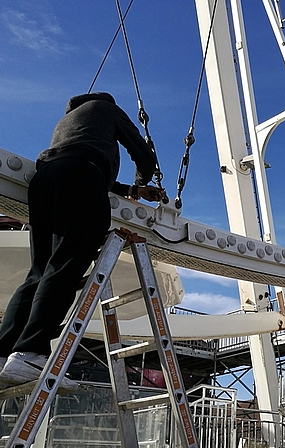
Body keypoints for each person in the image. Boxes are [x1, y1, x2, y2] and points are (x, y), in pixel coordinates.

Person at [0, 92, 164, 387]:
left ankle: (3, 354)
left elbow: (78, 159)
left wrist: (132, 191)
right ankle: (30, 353)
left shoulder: (69, 122)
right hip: (81, 176)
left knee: (39, 271)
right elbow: (141, 151)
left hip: (46, 178)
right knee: (66, 265)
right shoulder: (106, 108)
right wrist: (144, 180)